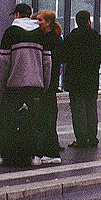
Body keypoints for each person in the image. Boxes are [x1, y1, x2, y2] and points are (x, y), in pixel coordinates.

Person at [0, 3, 53, 167]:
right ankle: (36, 155)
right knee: (36, 121)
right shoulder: (41, 34)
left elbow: (4, 62)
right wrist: (45, 83)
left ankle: (3, 154)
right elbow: (47, 62)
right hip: (35, 86)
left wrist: (3, 82)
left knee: (8, 120)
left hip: (13, 85)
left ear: (17, 15)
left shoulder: (10, 32)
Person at [62, 10, 101, 148]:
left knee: (78, 109)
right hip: (91, 78)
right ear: (88, 21)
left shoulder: (71, 37)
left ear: (76, 22)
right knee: (91, 107)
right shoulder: (96, 37)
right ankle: (92, 137)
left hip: (75, 78)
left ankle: (81, 139)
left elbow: (64, 56)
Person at [36, 10, 63, 163]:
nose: (38, 23)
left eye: (40, 20)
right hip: (51, 83)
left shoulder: (47, 40)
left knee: (46, 116)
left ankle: (49, 150)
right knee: (49, 115)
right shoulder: (56, 39)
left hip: (47, 82)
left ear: (48, 22)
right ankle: (51, 147)